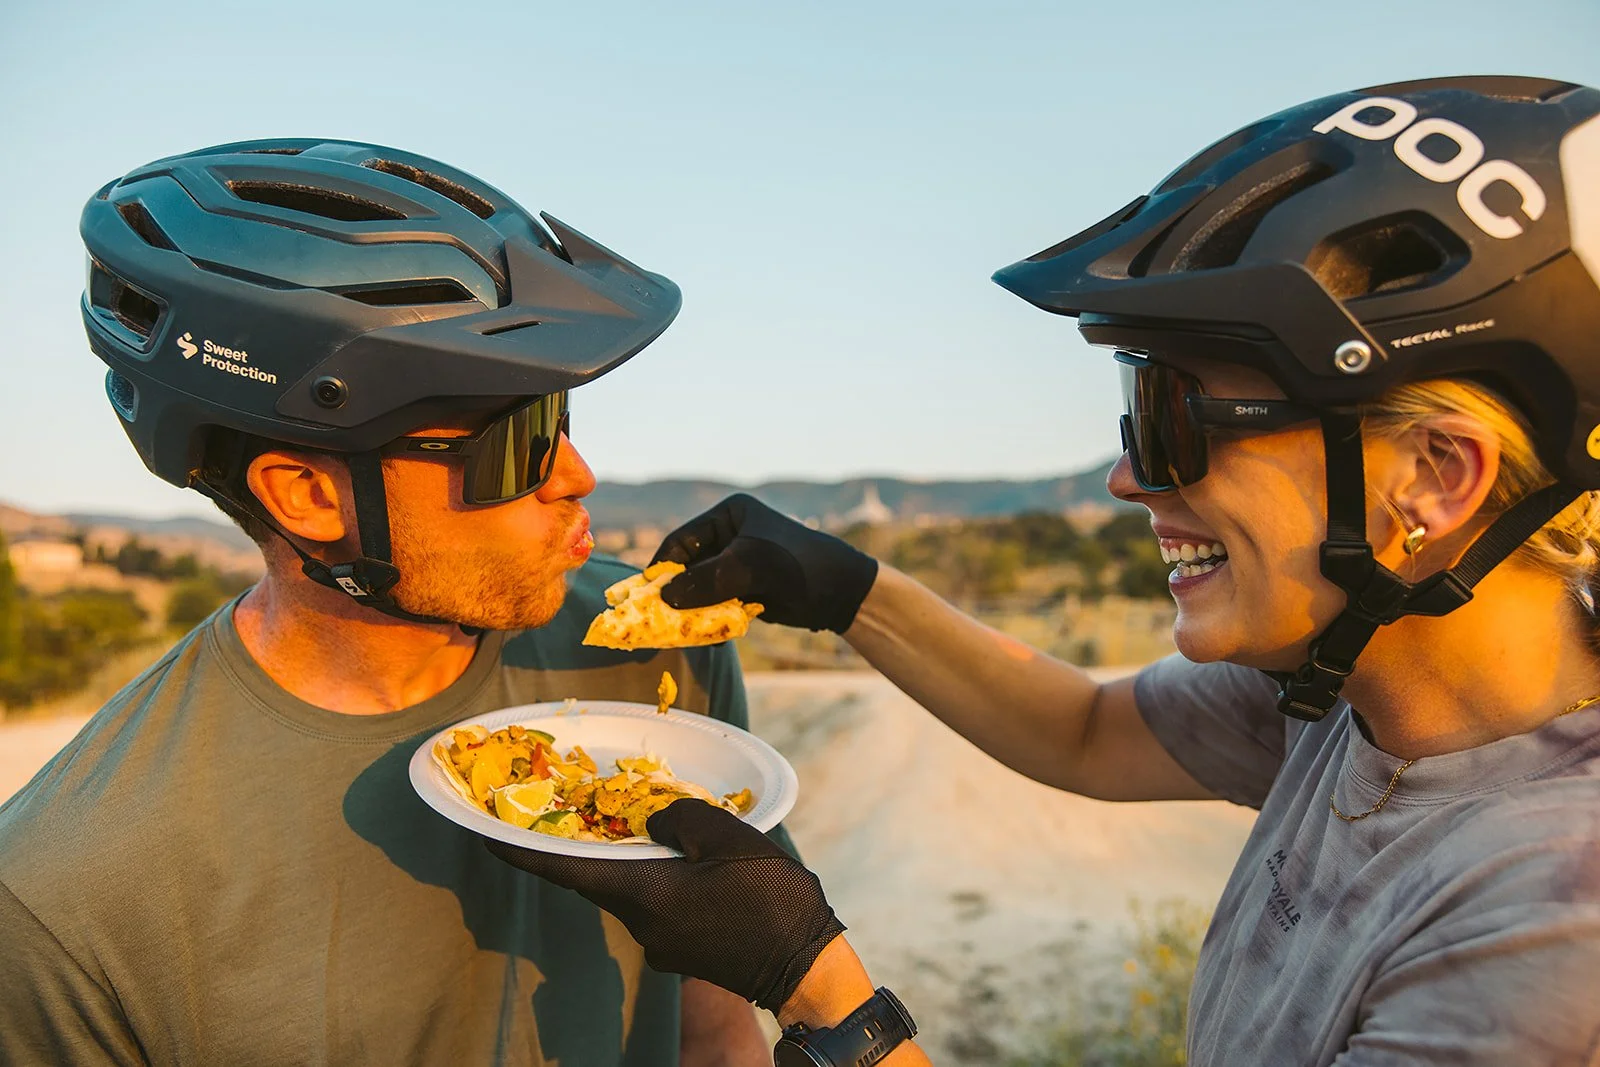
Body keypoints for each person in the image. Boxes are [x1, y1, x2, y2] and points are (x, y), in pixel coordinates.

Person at [494, 76, 1600, 1065]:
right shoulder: (1353, 696)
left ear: (1433, 475)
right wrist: (844, 588)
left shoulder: (1552, 929)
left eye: (1168, 416)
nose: (1126, 477)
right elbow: (1082, 728)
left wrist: (817, 985)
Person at [0, 140, 776, 1065]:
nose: (576, 474)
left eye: (561, 413)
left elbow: (717, 1034)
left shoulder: (660, 660)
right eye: (518, 436)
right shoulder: (70, 895)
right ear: (309, 496)